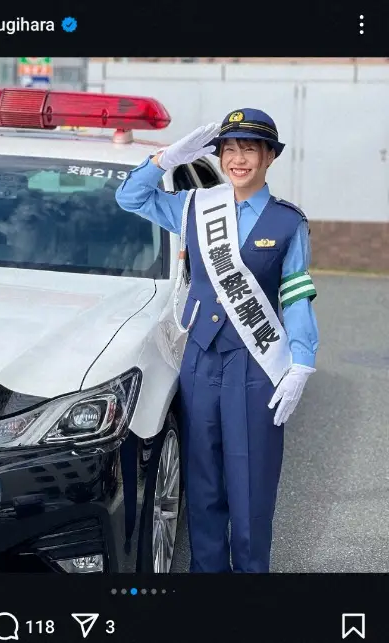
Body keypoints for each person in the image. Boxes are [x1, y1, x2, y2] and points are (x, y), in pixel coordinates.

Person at [115, 109, 319, 573]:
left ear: (269, 156)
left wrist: (302, 362)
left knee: (251, 489)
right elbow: (129, 197)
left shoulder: (288, 223)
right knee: (203, 486)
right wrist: (166, 159)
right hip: (200, 360)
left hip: (256, 363)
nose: (238, 158)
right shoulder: (194, 207)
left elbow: (297, 294)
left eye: (250, 148)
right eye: (230, 148)